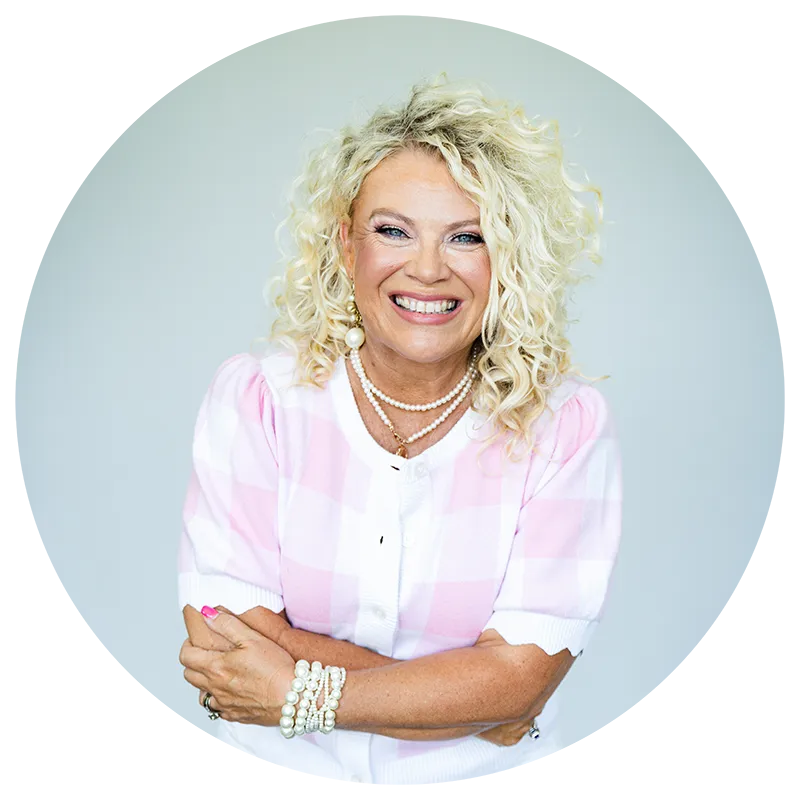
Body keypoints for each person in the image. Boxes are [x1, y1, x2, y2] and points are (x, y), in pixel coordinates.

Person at [177, 74, 623, 788]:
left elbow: (520, 684)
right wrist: (472, 700)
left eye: (467, 237)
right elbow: (219, 632)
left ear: (508, 260)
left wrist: (295, 687)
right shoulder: (260, 400)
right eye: (393, 231)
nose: (427, 269)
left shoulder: (563, 426)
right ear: (346, 245)